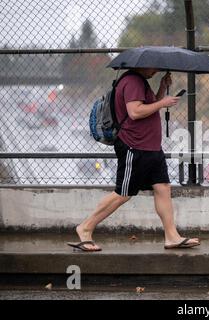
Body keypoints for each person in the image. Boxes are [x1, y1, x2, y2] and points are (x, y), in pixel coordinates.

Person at [68, 68, 200, 251]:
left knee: (163, 188)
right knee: (123, 193)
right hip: (135, 147)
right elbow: (135, 112)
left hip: (151, 147)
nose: (156, 70)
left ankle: (172, 236)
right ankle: (85, 228)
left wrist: (162, 89)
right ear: (143, 65)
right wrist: (162, 102)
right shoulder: (132, 81)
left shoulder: (140, 81)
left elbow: (148, 105)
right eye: (154, 67)